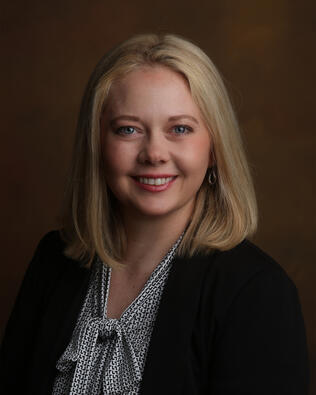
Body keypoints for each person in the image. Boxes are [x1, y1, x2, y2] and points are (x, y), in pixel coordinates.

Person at [0, 33, 309, 394]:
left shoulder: (257, 293)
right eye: (128, 129)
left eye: (180, 129)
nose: (154, 153)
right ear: (97, 144)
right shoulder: (54, 261)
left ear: (214, 149)